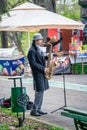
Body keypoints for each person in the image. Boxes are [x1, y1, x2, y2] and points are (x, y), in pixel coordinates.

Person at [27, 33, 49, 116]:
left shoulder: (38, 48)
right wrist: (44, 69)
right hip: (37, 73)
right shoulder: (31, 50)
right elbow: (33, 64)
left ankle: (38, 109)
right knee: (39, 91)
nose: (41, 41)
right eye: (40, 40)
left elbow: (40, 58)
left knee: (41, 90)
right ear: (36, 41)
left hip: (41, 73)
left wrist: (48, 57)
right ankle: (34, 110)